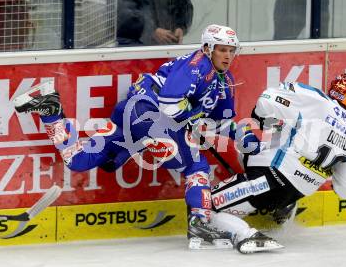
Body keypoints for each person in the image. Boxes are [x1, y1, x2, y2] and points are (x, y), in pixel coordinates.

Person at [13, 24, 261, 248]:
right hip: (148, 117)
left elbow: (222, 120)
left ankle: (51, 110)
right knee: (195, 164)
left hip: (129, 118)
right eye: (222, 49)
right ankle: (200, 222)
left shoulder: (224, 80)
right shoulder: (196, 67)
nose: (228, 55)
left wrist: (242, 135)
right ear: (208, 48)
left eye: (231, 50)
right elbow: (169, 105)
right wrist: (196, 117)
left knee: (77, 160)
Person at [206, 74, 346, 254]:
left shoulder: (317, 99)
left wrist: (261, 118)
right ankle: (283, 207)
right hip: (295, 192)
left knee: (204, 209)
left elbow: (267, 99)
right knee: (259, 149)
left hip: (271, 175)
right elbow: (345, 191)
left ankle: (246, 234)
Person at [116, 0, 193, 46]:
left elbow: (184, 4)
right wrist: (151, 30)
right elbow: (123, 9)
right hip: (137, 48)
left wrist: (180, 27)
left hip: (168, 48)